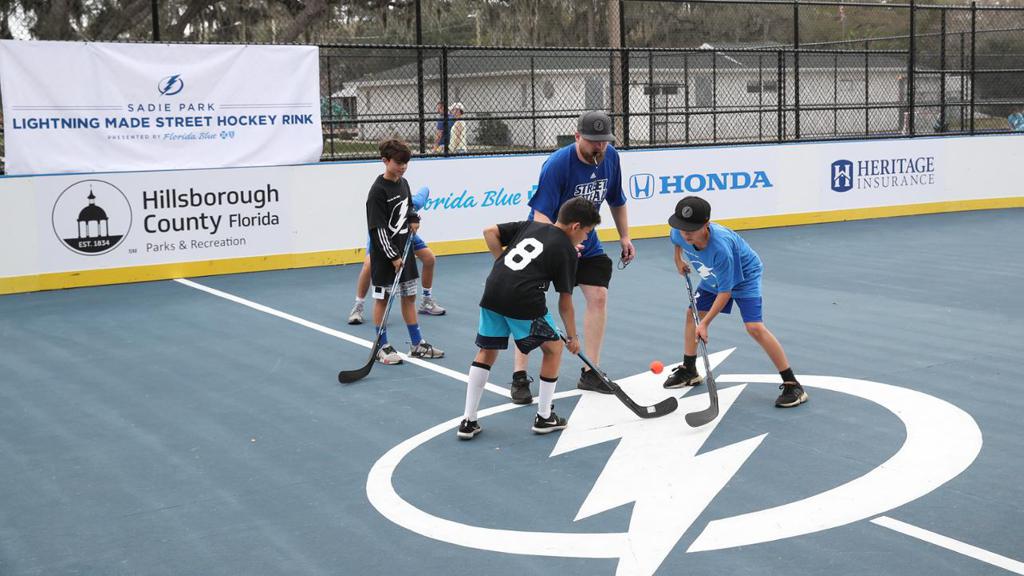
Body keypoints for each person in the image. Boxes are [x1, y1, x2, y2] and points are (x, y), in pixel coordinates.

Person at [507, 110, 636, 405]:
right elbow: (540, 216)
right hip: (545, 239)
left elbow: (617, 200)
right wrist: (559, 245)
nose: (599, 147)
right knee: (530, 304)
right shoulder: (557, 165)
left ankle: (590, 372)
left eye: (604, 141)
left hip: (586, 240)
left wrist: (624, 236)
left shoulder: (611, 157)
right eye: (593, 142)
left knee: (598, 296)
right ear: (577, 137)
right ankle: (519, 376)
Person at [458, 197, 600, 440]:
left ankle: (468, 421)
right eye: (587, 233)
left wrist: (500, 261)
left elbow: (489, 232)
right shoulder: (566, 250)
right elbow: (565, 303)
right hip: (523, 299)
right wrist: (573, 337)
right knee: (554, 349)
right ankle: (544, 417)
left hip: (494, 289)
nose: (586, 239)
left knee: (487, 351)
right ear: (575, 226)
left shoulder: (531, 225)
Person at [664, 196, 807, 408]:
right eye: (682, 227)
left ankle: (792, 383)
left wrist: (704, 324)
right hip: (714, 275)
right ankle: (689, 370)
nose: (686, 233)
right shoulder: (680, 231)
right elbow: (676, 239)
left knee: (754, 327)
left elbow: (725, 292)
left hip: (745, 277)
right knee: (691, 315)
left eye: (691, 229)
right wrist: (678, 259)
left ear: (706, 225)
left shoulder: (721, 248)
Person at [365, 138, 444, 365]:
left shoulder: (403, 183)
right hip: (385, 257)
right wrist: (393, 257)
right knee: (383, 299)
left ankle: (417, 344)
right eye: (398, 163)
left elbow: (408, 207)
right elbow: (378, 230)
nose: (402, 167)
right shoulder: (377, 192)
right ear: (385, 161)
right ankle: (383, 346)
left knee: (409, 297)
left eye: (406, 163)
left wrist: (413, 218)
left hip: (405, 251)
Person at [348, 185, 445, 324]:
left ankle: (426, 301)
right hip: (382, 234)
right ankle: (358, 306)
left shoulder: (413, 202)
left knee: (429, 259)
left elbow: (425, 189)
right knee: (369, 265)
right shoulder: (381, 200)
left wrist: (412, 213)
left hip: (404, 234)